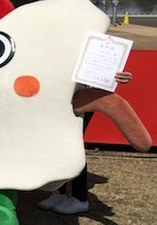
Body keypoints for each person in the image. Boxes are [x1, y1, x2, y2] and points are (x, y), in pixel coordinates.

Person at [39, 71, 133, 214]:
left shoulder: (99, 50)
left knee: (73, 141)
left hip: (86, 94)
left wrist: (118, 74)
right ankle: (59, 192)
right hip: (63, 92)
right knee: (57, 142)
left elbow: (111, 65)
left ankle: (80, 197)